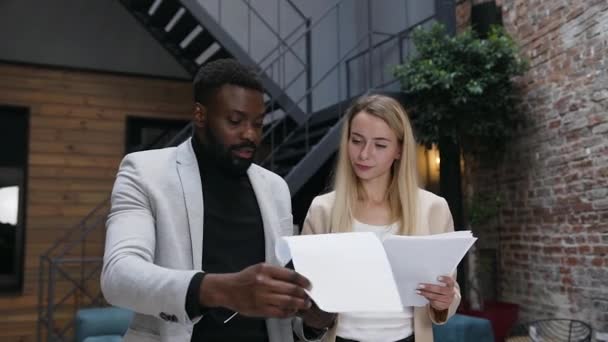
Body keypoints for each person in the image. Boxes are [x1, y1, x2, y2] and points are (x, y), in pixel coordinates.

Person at [101, 58, 335, 342]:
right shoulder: (144, 173)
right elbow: (118, 276)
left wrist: (313, 321)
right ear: (200, 115)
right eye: (235, 121)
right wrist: (223, 290)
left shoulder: (276, 189)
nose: (250, 134)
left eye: (258, 124)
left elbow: (278, 312)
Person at [301, 94, 461, 342]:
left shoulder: (433, 209)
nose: (364, 154)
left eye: (380, 145)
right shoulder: (323, 209)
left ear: (399, 149)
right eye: (356, 141)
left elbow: (449, 293)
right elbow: (305, 306)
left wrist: (443, 301)